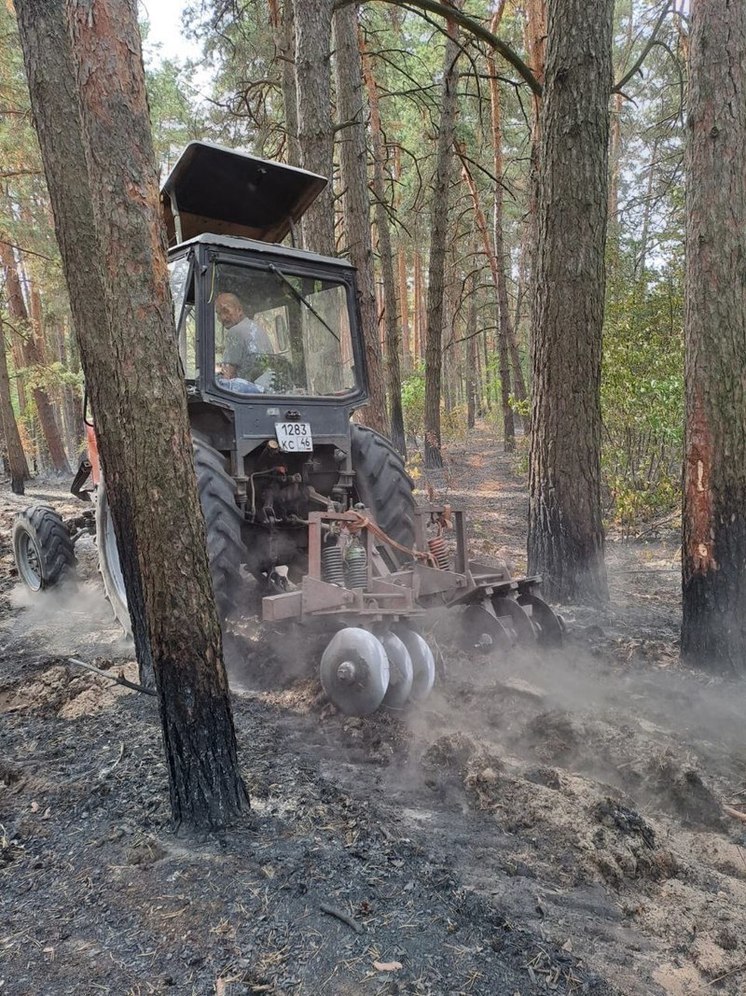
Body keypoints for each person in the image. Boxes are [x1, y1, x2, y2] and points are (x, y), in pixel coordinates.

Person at [215, 291, 274, 383]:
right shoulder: (256, 328)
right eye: (218, 313)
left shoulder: (235, 332)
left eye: (226, 311)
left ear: (239, 310)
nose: (222, 317)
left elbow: (228, 375)